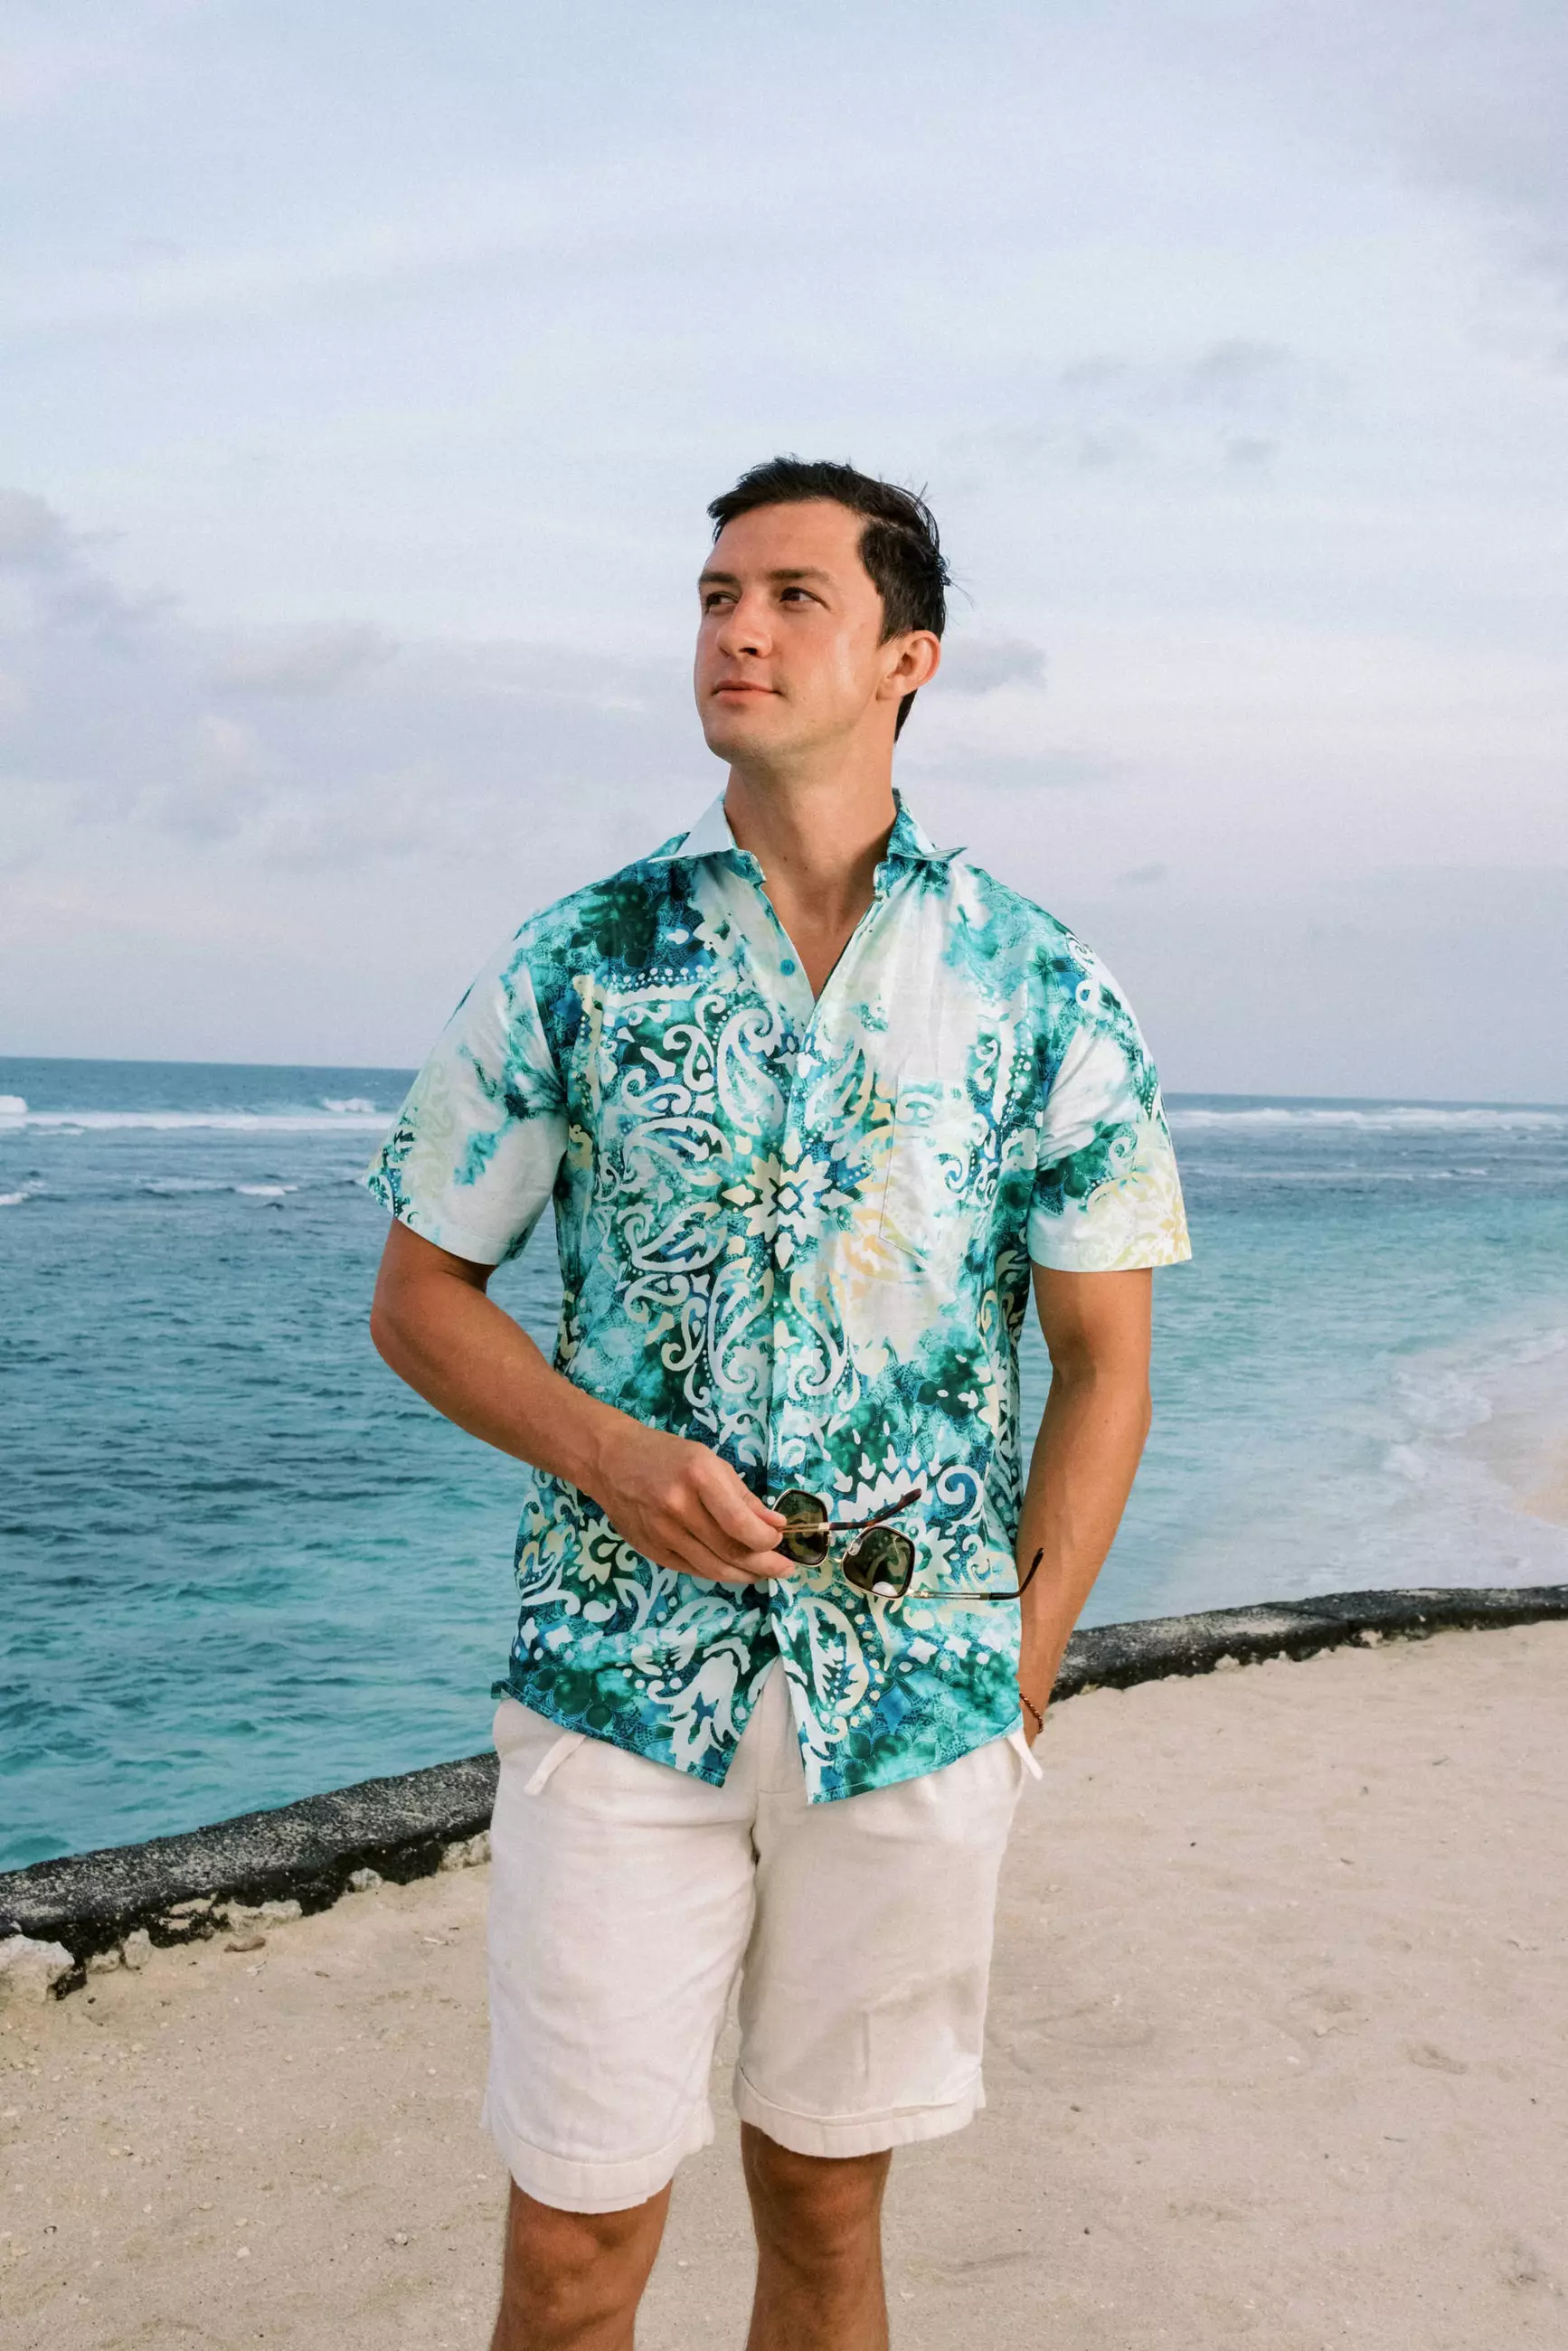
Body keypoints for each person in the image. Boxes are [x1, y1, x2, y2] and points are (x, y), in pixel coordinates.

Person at [364, 456, 1191, 2351]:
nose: (737, 629)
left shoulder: (1041, 984)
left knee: (825, 2212)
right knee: (575, 2240)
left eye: (793, 596)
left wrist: (1021, 1671)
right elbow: (419, 1300)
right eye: (717, 595)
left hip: (915, 1702)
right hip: (614, 1685)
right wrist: (610, 1456)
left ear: (908, 657)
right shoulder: (585, 954)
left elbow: (1104, 1363)